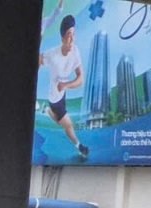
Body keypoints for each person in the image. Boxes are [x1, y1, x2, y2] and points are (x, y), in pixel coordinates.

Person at [39, 14, 91, 162]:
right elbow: (39, 59)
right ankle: (80, 147)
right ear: (62, 38)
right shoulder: (53, 55)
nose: (72, 39)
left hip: (63, 93)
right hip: (54, 98)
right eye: (69, 35)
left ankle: (51, 113)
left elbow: (81, 79)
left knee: (63, 122)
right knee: (68, 125)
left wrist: (66, 85)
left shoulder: (75, 51)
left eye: (74, 34)